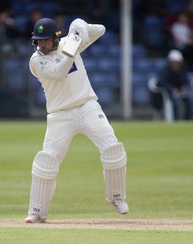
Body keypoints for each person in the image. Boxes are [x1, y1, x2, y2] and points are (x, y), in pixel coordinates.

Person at [25, 18, 129, 223]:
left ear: (56, 38)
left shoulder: (68, 42)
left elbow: (101, 29)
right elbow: (59, 71)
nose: (41, 45)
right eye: (38, 41)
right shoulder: (36, 61)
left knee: (113, 149)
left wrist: (80, 27)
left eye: (45, 40)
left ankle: (116, 198)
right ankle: (36, 211)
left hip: (87, 106)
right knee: (46, 162)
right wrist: (73, 43)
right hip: (59, 115)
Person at [157, 49, 193, 120]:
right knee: (175, 101)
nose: (176, 64)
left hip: (181, 92)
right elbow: (161, 82)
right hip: (169, 93)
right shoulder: (164, 71)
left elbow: (186, 82)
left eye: (178, 62)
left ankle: (188, 120)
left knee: (189, 100)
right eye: (174, 62)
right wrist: (172, 89)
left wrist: (184, 88)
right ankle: (175, 120)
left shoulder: (183, 70)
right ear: (171, 62)